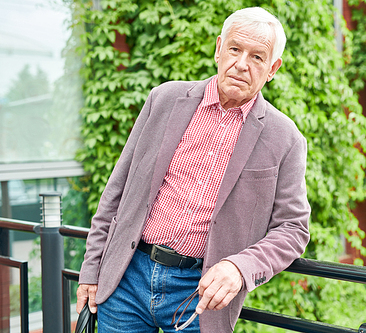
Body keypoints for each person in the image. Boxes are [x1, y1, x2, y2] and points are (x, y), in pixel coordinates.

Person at [76, 6, 310, 333]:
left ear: (273, 68)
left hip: (200, 295)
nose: (241, 64)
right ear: (218, 49)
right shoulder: (164, 99)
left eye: (257, 57)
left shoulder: (285, 138)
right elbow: (117, 190)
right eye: (234, 49)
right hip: (126, 278)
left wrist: (240, 268)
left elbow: (293, 229)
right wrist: (91, 271)